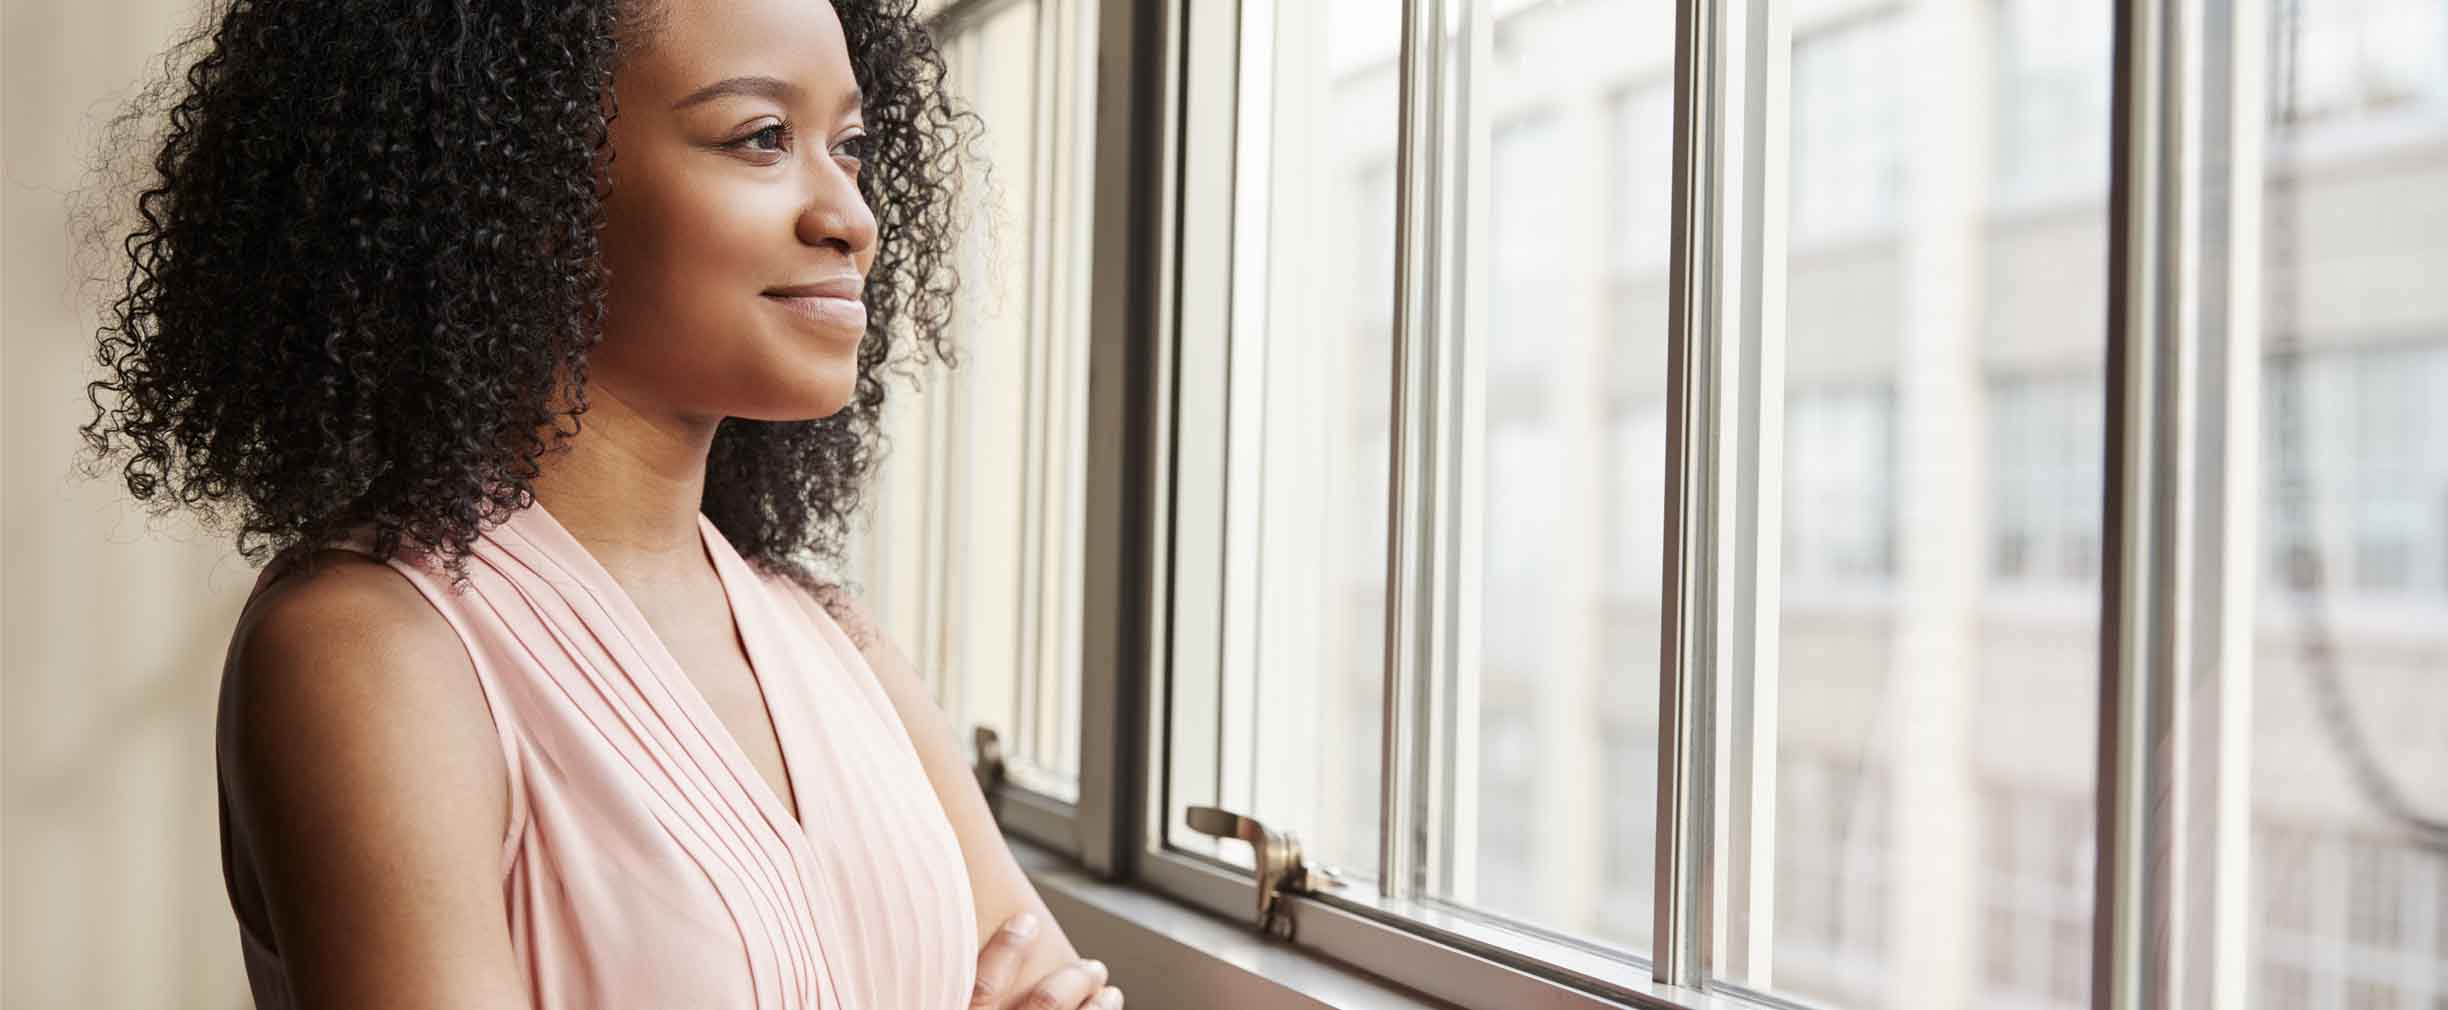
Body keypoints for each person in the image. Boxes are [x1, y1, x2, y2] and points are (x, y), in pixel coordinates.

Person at [74, 0, 1122, 1007]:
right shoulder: (371, 652)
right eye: (761, 136)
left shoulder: (838, 643)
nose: (851, 216)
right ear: (518, 189)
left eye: (848, 145)